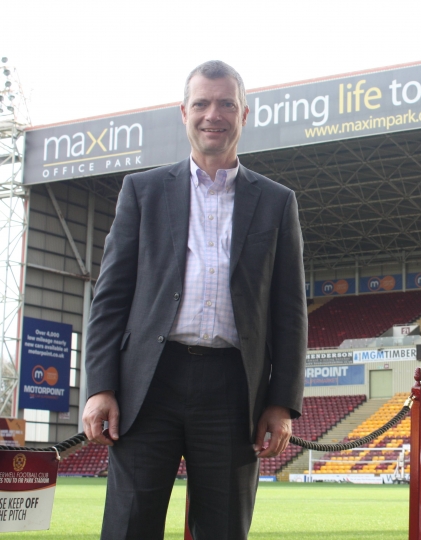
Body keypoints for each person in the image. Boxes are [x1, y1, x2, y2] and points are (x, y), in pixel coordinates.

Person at [81, 60, 307, 540]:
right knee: (128, 527)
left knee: (223, 529)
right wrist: (101, 385)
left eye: (226, 103)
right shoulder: (141, 192)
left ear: (245, 114)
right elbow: (110, 298)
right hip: (148, 385)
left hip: (232, 389)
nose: (213, 114)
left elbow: (290, 313)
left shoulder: (276, 201)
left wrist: (282, 402)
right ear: (184, 112)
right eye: (202, 103)